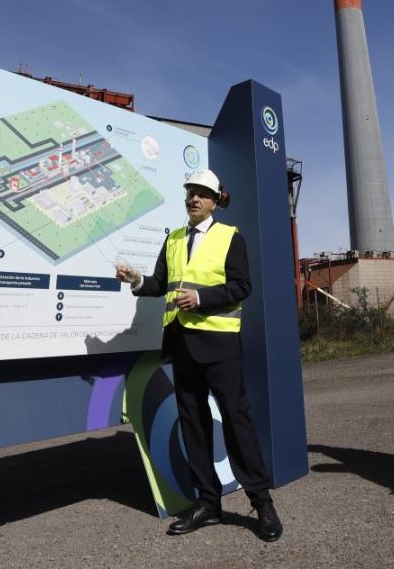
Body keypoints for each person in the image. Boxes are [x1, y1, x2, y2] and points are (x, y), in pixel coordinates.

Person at [116, 169, 282, 542]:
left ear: (213, 201)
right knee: (193, 426)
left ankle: (261, 501)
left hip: (220, 346)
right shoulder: (173, 239)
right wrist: (137, 281)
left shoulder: (229, 237)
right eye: (190, 191)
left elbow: (242, 286)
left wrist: (202, 298)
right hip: (181, 345)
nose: (194, 198)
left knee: (237, 424)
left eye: (201, 193)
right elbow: (161, 283)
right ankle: (208, 503)